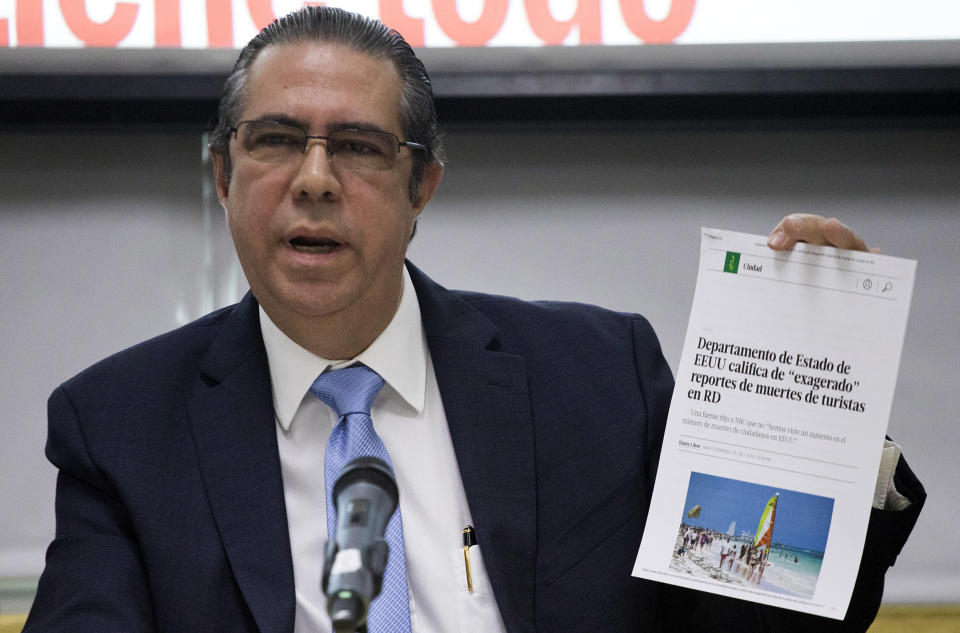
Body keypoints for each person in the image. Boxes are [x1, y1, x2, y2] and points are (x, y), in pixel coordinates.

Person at [23, 6, 925, 633]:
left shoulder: (603, 376)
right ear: (223, 178)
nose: (313, 177)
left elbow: (753, 620)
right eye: (273, 140)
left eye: (361, 148)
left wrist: (819, 422)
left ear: (424, 188)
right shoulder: (121, 425)